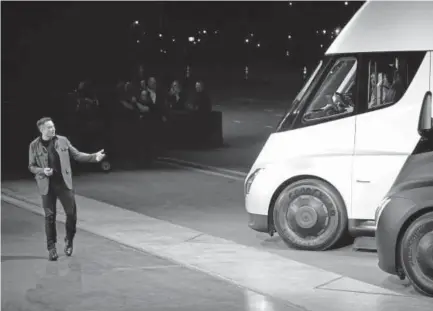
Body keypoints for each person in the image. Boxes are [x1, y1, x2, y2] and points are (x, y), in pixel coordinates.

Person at [28, 117, 106, 261]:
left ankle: (69, 240)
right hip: (47, 185)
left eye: (53, 126)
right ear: (42, 130)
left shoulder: (62, 140)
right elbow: (31, 166)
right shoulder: (34, 145)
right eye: (49, 127)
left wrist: (94, 157)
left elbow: (76, 155)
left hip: (64, 184)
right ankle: (51, 248)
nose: (53, 129)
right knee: (50, 216)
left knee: (71, 214)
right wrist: (42, 171)